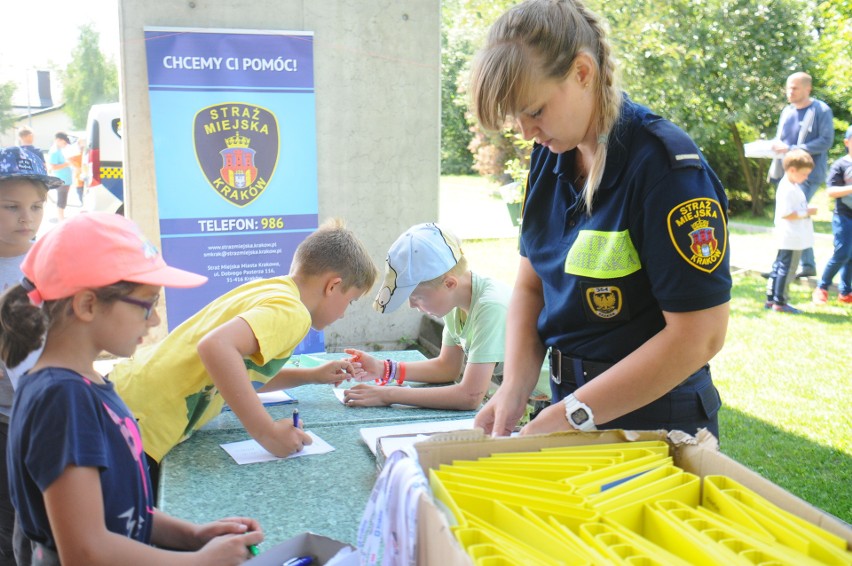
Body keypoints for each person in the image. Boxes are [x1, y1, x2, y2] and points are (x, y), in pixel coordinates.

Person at [469, 0, 731, 440]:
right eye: (517, 117)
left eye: (534, 111)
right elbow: (531, 286)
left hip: (654, 424)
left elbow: (699, 336)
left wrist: (568, 415)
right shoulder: (549, 157)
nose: (525, 132)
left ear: (582, 73)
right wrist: (514, 387)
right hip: (568, 404)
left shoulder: (665, 168)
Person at [0, 212, 264, 565]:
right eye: (147, 304)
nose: (154, 320)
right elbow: (85, 550)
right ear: (88, 304)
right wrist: (200, 562)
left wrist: (193, 536)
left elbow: (121, 510)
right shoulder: (62, 399)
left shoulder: (83, 385)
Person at [110, 218, 378, 490]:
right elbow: (216, 347)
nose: (344, 313)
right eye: (350, 301)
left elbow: (237, 371)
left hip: (128, 396)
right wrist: (267, 432)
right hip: (138, 423)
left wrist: (309, 375)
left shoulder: (272, 289)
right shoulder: (293, 313)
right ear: (333, 286)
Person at [344, 223, 510, 410]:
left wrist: (388, 395)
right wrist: (383, 369)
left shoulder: (490, 308)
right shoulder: (455, 302)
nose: (412, 305)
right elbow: (447, 367)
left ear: (449, 284)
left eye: (417, 297)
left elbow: (470, 396)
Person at [0, 147, 59, 566]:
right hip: (6, 417)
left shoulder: (49, 256)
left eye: (36, 206)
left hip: (49, 406)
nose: (27, 218)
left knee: (41, 519)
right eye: (12, 207)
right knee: (10, 524)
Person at [768, 72, 834, 278]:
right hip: (784, 172)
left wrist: (793, 149)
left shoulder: (820, 110)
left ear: (808, 89)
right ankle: (798, 265)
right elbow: (781, 140)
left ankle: (786, 267)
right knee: (791, 215)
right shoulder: (787, 111)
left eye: (795, 88)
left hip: (806, 174)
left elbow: (825, 140)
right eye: (788, 87)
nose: (790, 92)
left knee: (797, 213)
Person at [765, 150, 817, 314]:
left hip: (790, 236)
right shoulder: (787, 188)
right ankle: (780, 301)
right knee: (787, 269)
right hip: (791, 236)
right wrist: (807, 212)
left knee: (780, 266)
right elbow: (786, 213)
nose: (806, 177)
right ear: (792, 170)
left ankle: (771, 298)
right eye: (804, 174)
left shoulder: (791, 185)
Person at [812, 126, 852, 305]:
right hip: (843, 215)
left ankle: (846, 291)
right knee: (842, 252)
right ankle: (822, 287)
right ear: (847, 142)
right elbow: (831, 191)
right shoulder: (840, 165)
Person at [46, 132, 73, 222]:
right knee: (62, 199)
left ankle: (61, 217)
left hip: (64, 179)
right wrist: (67, 163)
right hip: (61, 180)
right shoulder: (54, 151)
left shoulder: (58, 150)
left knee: (63, 198)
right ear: (58, 140)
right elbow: (53, 166)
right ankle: (61, 219)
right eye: (64, 143)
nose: (65, 145)